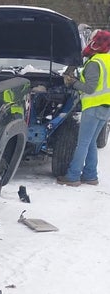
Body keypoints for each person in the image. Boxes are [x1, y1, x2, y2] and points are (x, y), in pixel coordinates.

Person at [57, 29, 110, 186]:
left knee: (83, 143)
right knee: (91, 142)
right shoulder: (106, 59)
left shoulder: (95, 63)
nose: (89, 43)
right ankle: (90, 176)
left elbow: (90, 88)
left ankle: (73, 177)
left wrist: (72, 82)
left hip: (93, 107)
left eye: (93, 40)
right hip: (105, 107)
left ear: (97, 43)